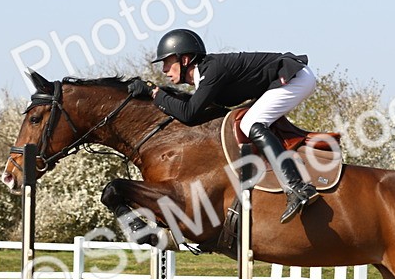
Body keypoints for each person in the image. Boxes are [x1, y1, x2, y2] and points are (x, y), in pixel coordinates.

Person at [127, 29, 319, 224]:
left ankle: (297, 187)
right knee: (247, 122)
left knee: (251, 123)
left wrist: (154, 93)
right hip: (283, 81)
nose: (164, 70)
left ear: (184, 60)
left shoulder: (213, 71)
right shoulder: (205, 77)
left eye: (167, 62)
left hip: (294, 78)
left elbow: (189, 114)